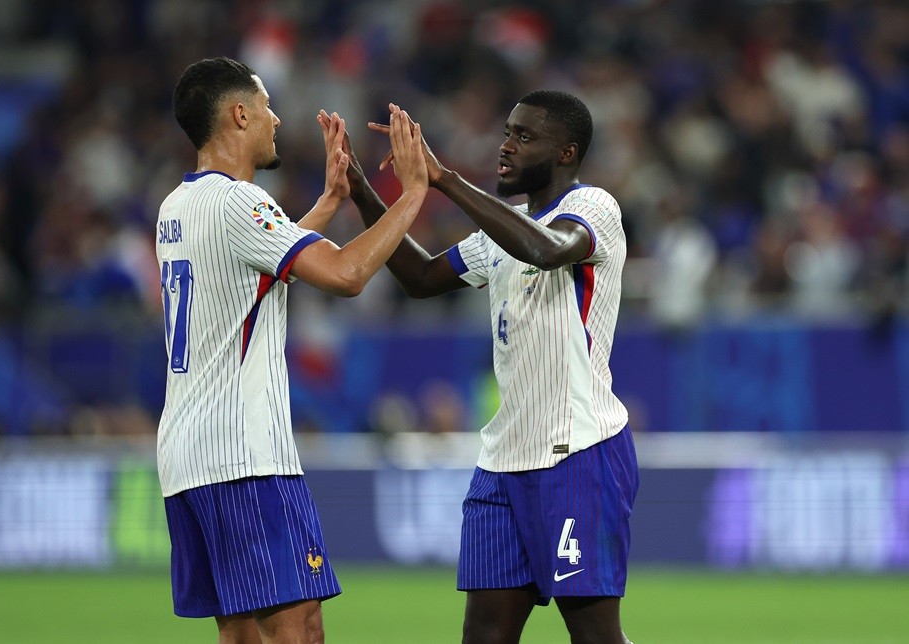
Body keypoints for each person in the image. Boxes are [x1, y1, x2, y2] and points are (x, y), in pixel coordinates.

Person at [336, 91, 639, 643]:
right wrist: (360, 190)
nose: (506, 145)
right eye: (507, 132)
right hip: (501, 463)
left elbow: (548, 250)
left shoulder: (594, 208)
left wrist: (444, 180)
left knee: (595, 635)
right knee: (483, 636)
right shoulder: (504, 230)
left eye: (525, 137)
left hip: (578, 454)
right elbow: (423, 278)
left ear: (567, 153)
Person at [156, 57, 428, 644]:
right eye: (267, 105)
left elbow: (260, 270)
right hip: (245, 457)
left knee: (241, 633)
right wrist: (414, 194)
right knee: (298, 631)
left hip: (188, 456)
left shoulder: (176, 208)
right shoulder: (238, 203)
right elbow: (347, 273)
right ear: (239, 114)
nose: (277, 118)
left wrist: (330, 202)